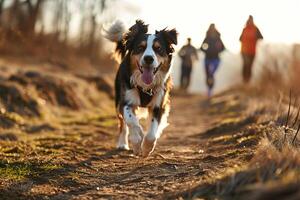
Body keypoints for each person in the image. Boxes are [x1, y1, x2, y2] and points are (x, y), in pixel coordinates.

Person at [200, 23, 225, 97]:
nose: (212, 29)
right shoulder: (207, 37)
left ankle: (210, 90)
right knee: (208, 75)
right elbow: (201, 47)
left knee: (211, 74)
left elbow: (223, 48)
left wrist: (217, 51)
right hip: (207, 59)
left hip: (216, 59)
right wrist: (207, 51)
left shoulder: (218, 37)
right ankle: (209, 90)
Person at [239, 15, 263, 83]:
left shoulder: (256, 29)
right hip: (244, 51)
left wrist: (255, 37)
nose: (250, 21)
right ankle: (244, 80)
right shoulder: (244, 29)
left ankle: (247, 81)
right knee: (246, 64)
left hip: (252, 51)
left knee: (249, 66)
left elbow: (261, 37)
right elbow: (240, 39)